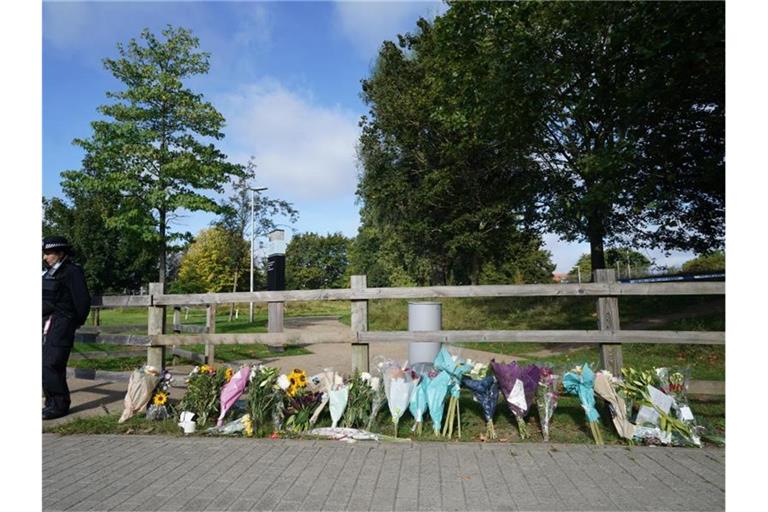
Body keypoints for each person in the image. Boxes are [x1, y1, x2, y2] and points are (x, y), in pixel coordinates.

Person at [42, 236, 91, 420]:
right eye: (44, 253)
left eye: (49, 253)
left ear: (61, 253)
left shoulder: (72, 272)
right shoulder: (48, 273)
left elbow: (82, 301)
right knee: (45, 365)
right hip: (47, 324)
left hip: (62, 324)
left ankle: (60, 405)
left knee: (52, 364)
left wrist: (73, 322)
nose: (45, 257)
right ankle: (51, 403)